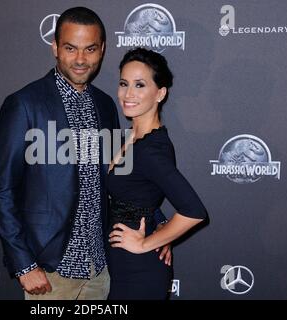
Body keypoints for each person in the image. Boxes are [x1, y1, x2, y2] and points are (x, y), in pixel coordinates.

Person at [0, 7, 172, 300]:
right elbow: (2, 190)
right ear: (55, 48)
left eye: (90, 49)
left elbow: (118, 178)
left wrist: (157, 222)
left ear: (102, 50)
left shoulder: (105, 105)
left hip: (100, 268)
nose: (80, 59)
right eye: (70, 48)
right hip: (51, 271)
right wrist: (23, 264)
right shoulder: (24, 105)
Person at [107, 48, 208, 300]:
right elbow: (142, 193)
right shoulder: (130, 137)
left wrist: (145, 243)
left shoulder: (152, 150)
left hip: (139, 272)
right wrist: (160, 222)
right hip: (117, 266)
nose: (128, 94)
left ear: (160, 93)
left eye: (140, 85)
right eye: (123, 83)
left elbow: (194, 211)